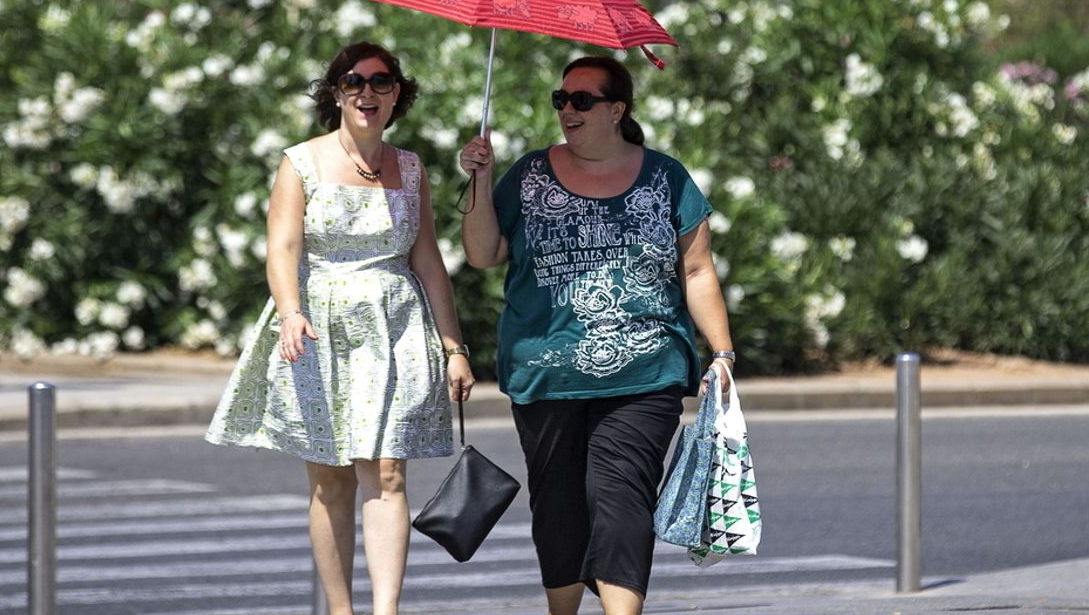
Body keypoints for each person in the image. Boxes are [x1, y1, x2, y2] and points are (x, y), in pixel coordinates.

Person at [458, 56, 735, 615]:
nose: (568, 109)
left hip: (644, 369)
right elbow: (482, 253)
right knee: (558, 503)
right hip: (544, 370)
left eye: (582, 100)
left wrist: (723, 352)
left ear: (617, 110)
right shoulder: (530, 175)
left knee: (620, 494)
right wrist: (480, 181)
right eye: (561, 99)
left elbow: (698, 271)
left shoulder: (667, 177)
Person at [206, 41, 474, 615]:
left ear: (397, 94)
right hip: (321, 325)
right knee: (332, 479)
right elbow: (281, 248)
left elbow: (427, 259)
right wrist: (290, 311)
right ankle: (341, 610)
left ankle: (386, 611)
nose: (367, 93)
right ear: (336, 93)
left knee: (388, 471)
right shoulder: (300, 162)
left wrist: (453, 346)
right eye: (354, 82)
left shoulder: (411, 168)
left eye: (381, 83)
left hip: (396, 326)